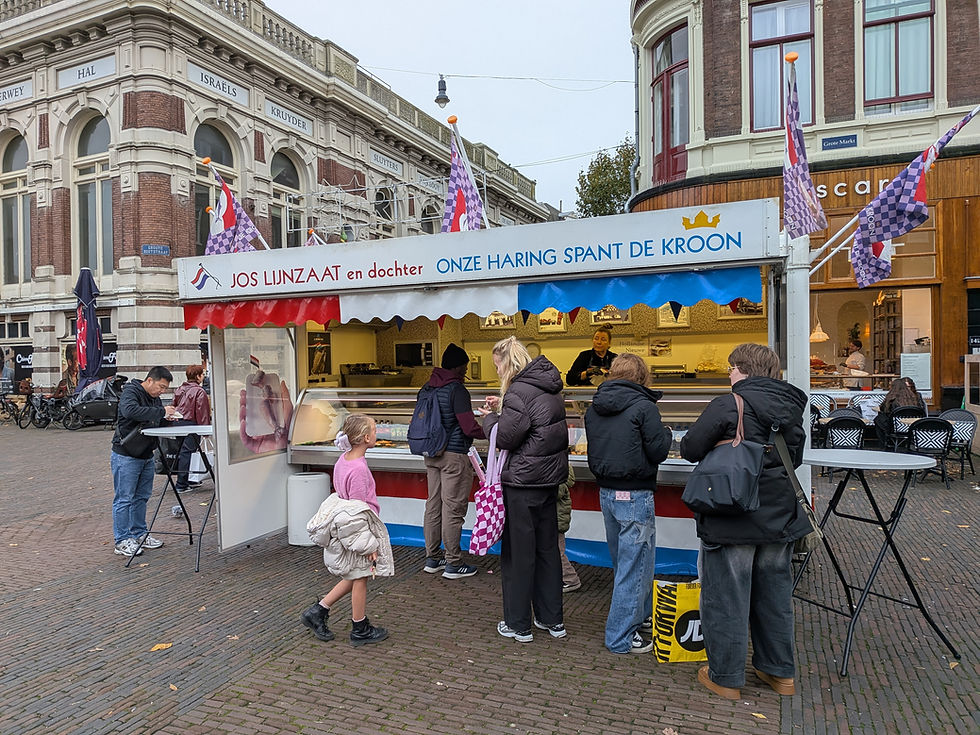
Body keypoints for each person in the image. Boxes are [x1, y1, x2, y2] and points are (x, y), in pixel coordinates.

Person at [680, 343, 811, 700]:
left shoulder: (730, 403)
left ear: (741, 369)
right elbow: (793, 458)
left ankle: (726, 677)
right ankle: (779, 673)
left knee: (726, 596)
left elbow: (690, 448)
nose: (729, 374)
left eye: (731, 368)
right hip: (779, 516)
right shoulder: (792, 406)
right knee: (775, 597)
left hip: (732, 515)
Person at [478, 336, 568, 643]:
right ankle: (552, 619)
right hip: (549, 480)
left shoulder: (517, 390)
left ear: (507, 363)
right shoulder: (550, 387)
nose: (497, 371)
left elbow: (506, 438)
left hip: (522, 483)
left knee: (518, 554)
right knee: (547, 551)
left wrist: (490, 419)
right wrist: (503, 408)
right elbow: (532, 426)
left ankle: (518, 624)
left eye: (497, 365)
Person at [585, 353, 672, 654]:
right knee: (634, 566)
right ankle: (620, 637)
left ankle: (641, 616)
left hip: (607, 493)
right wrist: (668, 435)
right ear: (642, 376)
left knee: (627, 562)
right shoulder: (645, 407)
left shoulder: (594, 406)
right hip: (636, 494)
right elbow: (658, 450)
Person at [301, 413, 392, 646]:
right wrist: (370, 545)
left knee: (352, 575)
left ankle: (318, 611)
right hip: (357, 534)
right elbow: (357, 514)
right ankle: (359, 627)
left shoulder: (344, 460)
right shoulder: (360, 470)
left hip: (346, 532)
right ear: (365, 437)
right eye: (374, 429)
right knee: (360, 577)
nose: (376, 433)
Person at [419, 343, 485, 579]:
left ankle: (432, 558)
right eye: (464, 367)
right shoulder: (457, 390)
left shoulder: (427, 387)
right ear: (459, 367)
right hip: (454, 455)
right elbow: (469, 427)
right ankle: (454, 562)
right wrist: (492, 428)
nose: (465, 372)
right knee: (453, 509)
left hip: (430, 454)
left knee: (433, 504)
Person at [110, 366, 177, 557]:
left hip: (146, 454)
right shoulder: (131, 392)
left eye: (165, 388)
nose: (162, 391)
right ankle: (122, 540)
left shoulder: (154, 398)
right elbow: (130, 411)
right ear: (149, 381)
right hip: (126, 454)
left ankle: (139, 534)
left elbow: (156, 418)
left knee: (141, 497)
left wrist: (168, 417)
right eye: (161, 387)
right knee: (124, 498)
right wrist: (161, 412)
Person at [172, 364, 212, 492]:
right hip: (191, 424)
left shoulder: (180, 389)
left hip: (178, 423)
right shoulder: (199, 391)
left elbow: (174, 406)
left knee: (183, 452)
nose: (203, 377)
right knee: (187, 452)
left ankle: (185, 480)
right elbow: (202, 411)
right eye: (202, 374)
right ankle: (182, 483)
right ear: (198, 376)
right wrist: (205, 429)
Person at [874, 377, 926, 447]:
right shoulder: (915, 398)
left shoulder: (892, 399)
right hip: (913, 427)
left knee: (878, 419)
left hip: (896, 428)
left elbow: (885, 410)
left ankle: (884, 444)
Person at [556, 465, 581, 593]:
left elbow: (556, 492)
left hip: (556, 520)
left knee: (557, 552)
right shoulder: (561, 466)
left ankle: (571, 579)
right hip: (556, 518)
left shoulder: (561, 475)